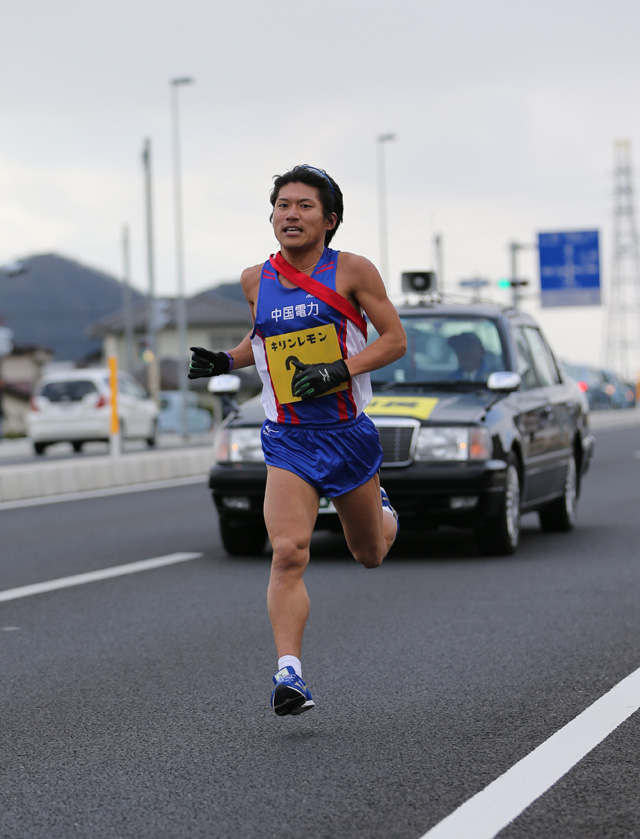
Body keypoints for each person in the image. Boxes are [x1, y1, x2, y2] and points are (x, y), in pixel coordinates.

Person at [188, 164, 407, 717]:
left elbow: (395, 341)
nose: (291, 214)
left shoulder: (353, 271)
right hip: (288, 437)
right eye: (283, 204)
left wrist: (340, 371)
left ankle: (382, 509)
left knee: (371, 554)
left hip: (347, 433)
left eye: (305, 205)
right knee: (287, 553)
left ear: (329, 220)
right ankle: (290, 674)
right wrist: (225, 360)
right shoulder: (254, 280)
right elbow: (262, 338)